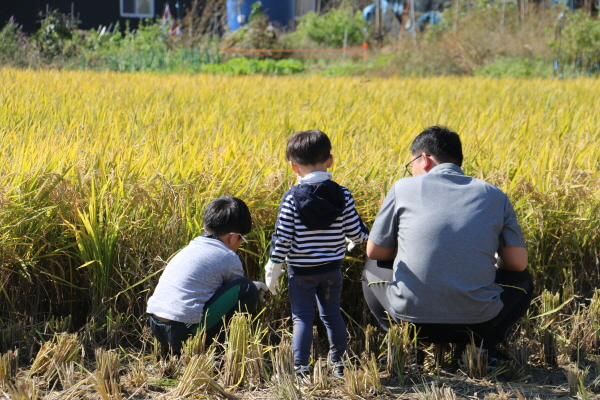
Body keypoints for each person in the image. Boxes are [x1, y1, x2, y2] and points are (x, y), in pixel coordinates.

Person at [363, 126, 533, 365]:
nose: (410, 171)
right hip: (478, 323)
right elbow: (517, 263)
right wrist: (491, 261)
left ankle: (402, 345)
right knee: (522, 278)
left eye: (410, 164)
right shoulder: (495, 195)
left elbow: (375, 251)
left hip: (411, 321)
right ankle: (485, 348)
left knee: (372, 266)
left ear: (424, 159)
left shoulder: (403, 188)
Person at [264, 130, 370, 379]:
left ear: (293, 167)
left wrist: (274, 268)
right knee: (332, 315)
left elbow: (283, 238)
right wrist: (363, 240)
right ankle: (339, 365)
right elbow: (356, 232)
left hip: (301, 273)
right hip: (332, 270)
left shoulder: (291, 199)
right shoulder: (342, 194)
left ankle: (300, 369)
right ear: (330, 160)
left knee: (302, 318)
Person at [147, 196, 268, 357]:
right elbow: (237, 292)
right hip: (182, 332)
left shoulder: (191, 247)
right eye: (241, 239)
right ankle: (223, 354)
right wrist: (253, 287)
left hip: (157, 327)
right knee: (246, 287)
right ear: (233, 237)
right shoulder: (228, 256)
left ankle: (175, 355)